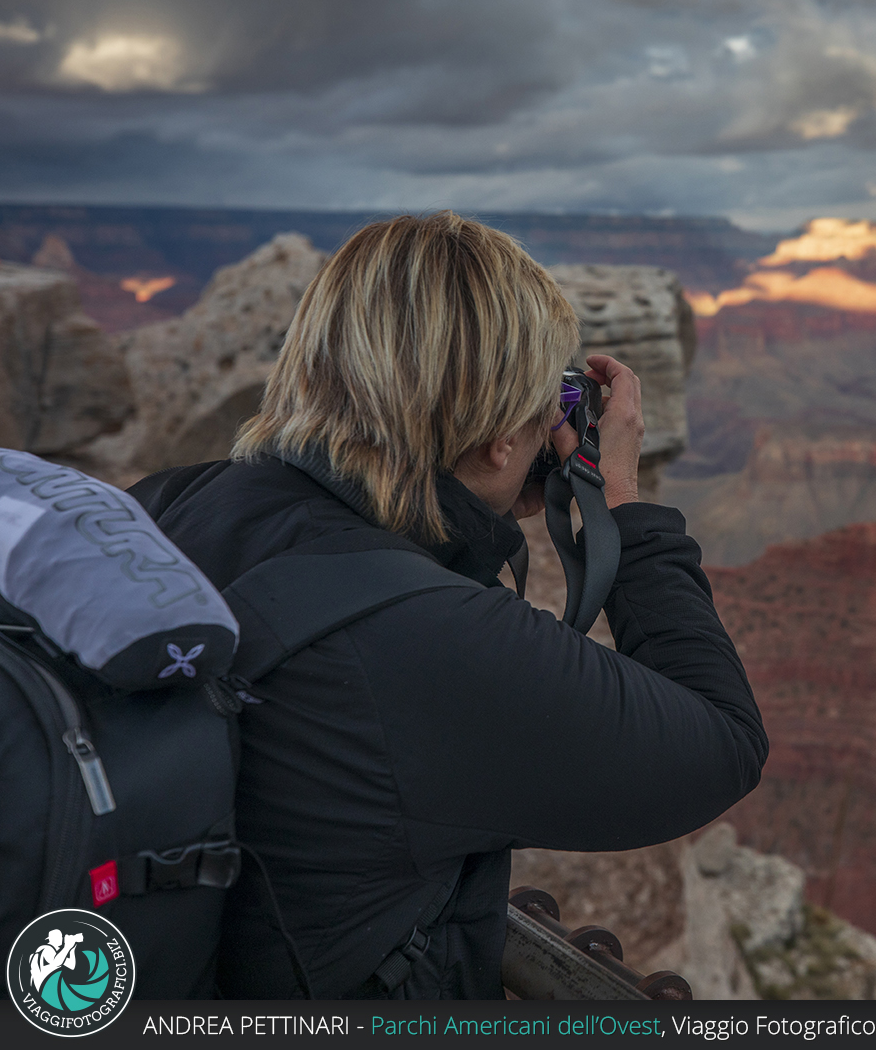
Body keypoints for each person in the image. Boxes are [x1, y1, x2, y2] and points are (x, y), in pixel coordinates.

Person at [129, 212, 767, 999]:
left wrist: (488, 489)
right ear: (503, 433)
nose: (551, 427)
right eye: (544, 405)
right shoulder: (425, 638)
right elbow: (723, 742)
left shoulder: (167, 505)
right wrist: (623, 499)